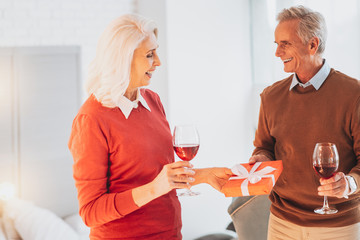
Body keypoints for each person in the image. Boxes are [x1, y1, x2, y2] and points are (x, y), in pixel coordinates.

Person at [68, 14, 231, 240]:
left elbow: (158, 173)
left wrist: (205, 175)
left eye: (156, 51)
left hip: (170, 233)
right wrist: (155, 188)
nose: (158, 62)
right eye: (149, 55)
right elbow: (91, 211)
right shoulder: (92, 119)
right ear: (122, 60)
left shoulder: (151, 100)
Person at [249, 5, 360, 240]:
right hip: (282, 222)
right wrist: (261, 159)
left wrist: (348, 183)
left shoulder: (353, 94)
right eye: (276, 44)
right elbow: (264, 147)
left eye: (285, 44)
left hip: (337, 227)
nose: (277, 53)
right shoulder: (270, 96)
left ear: (313, 44)